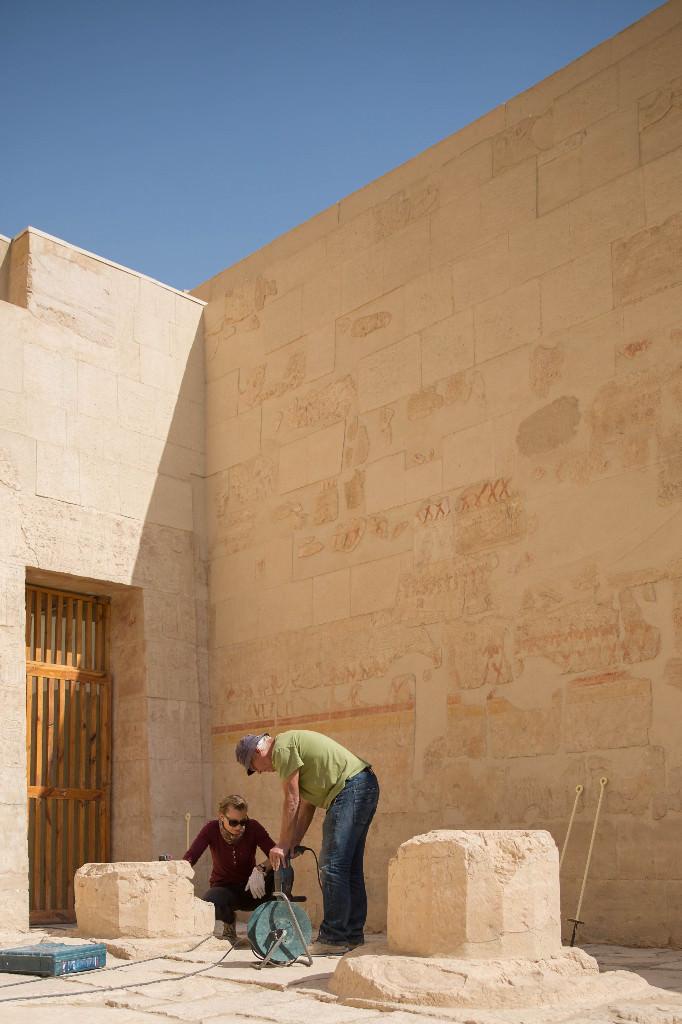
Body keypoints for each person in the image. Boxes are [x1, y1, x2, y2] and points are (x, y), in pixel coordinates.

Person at [235, 729, 379, 956]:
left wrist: (282, 844)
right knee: (348, 868)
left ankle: (333, 938)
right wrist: (293, 842)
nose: (260, 772)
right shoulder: (292, 751)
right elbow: (305, 806)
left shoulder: (282, 749)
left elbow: (291, 799)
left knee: (332, 866)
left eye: (254, 767)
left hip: (351, 788)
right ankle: (351, 936)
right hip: (364, 785)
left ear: (258, 750)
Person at [183, 793, 275, 947]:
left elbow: (275, 853)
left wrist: (260, 869)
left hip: (251, 887)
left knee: (281, 870)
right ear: (222, 817)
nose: (239, 827)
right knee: (210, 902)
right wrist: (177, 871)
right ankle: (229, 923)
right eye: (233, 822)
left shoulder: (254, 827)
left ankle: (273, 924)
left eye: (243, 821)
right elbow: (191, 856)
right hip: (225, 889)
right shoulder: (210, 829)